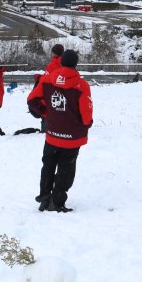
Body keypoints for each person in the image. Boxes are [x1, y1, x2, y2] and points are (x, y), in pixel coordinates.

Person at [28, 49, 93, 213]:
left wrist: (46, 113)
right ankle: (57, 202)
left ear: (61, 62)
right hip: (72, 137)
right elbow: (86, 111)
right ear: (76, 64)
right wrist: (86, 124)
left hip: (52, 135)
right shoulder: (82, 85)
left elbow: (32, 100)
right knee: (66, 170)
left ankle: (44, 198)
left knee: (48, 166)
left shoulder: (47, 79)